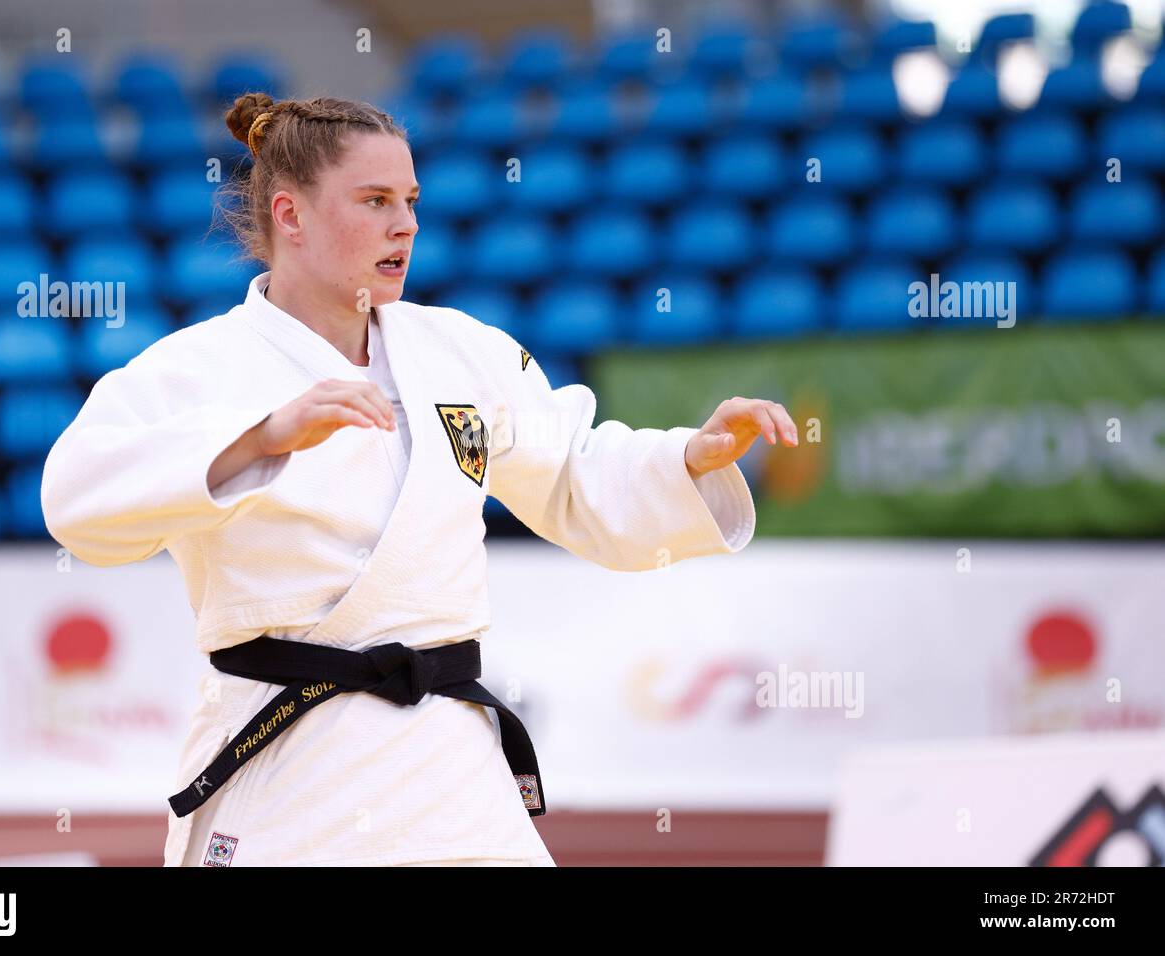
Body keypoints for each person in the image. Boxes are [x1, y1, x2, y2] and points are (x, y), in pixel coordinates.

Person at [40, 92, 798, 867]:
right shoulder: (195, 370)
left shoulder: (460, 353)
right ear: (290, 216)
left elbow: (572, 472)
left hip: (450, 769)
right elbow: (74, 498)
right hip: (288, 765)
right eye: (374, 202)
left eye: (410, 202)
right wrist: (261, 437)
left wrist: (686, 459)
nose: (405, 225)